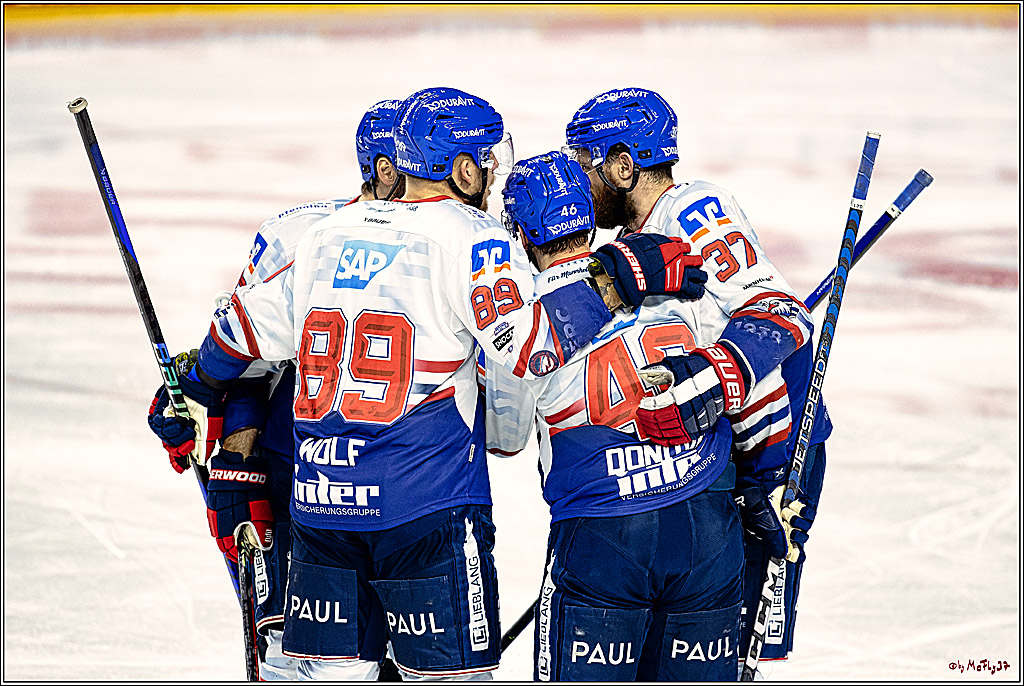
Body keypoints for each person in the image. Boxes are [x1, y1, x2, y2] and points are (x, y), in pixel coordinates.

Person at [152, 86, 701, 681]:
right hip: (426, 511)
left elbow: (238, 332)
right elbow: (532, 349)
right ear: (462, 168)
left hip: (322, 513)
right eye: (487, 159)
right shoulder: (471, 236)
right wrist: (614, 284)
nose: (493, 171)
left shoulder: (320, 237)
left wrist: (193, 387)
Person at [562, 87, 831, 675]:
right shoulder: (631, 240)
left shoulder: (693, 210)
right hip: (733, 458)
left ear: (623, 166)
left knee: (735, 657)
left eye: (585, 162)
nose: (577, 178)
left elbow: (781, 314)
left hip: (779, 446)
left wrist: (762, 464)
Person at [147, 98, 405, 680]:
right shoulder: (299, 237)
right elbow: (240, 360)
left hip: (409, 495)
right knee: (300, 663)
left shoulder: (455, 239)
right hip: (308, 489)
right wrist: (196, 405)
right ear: (388, 169)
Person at [486, 149, 748, 681]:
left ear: (520, 233)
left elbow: (505, 438)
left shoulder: (524, 323)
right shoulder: (667, 271)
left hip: (607, 536)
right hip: (709, 521)